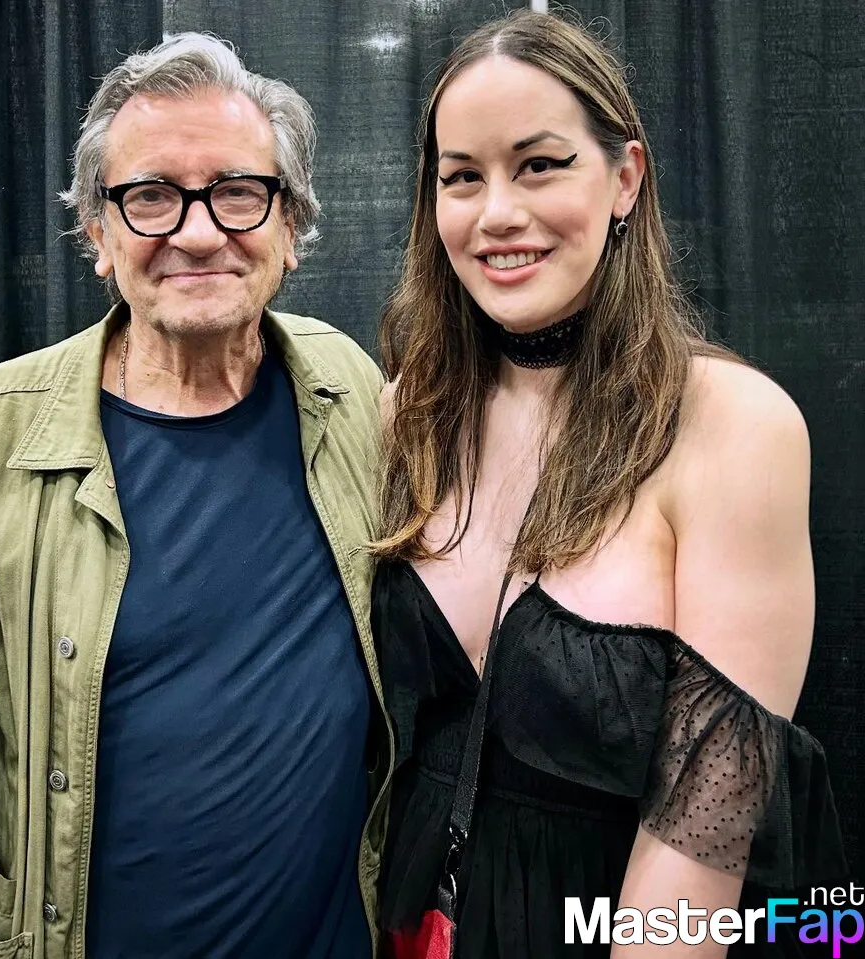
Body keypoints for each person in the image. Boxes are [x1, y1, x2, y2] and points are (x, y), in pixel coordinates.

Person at [0, 33, 392, 958]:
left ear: (290, 225)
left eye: (238, 192)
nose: (198, 232)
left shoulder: (348, 389)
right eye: (151, 196)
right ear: (97, 234)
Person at [372, 10, 845, 958]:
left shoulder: (733, 427)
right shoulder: (406, 413)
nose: (496, 213)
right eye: (461, 177)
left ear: (625, 178)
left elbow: (706, 829)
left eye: (539, 165)